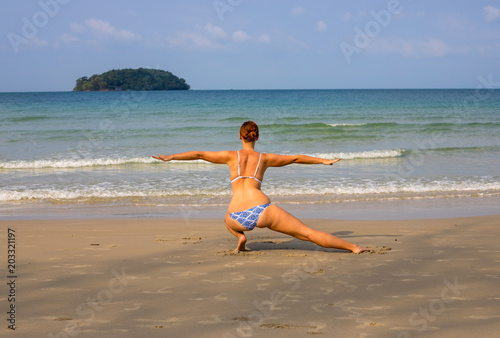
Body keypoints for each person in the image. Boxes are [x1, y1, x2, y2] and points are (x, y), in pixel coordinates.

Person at [153, 121, 367, 254]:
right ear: (257, 136)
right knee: (306, 234)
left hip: (237, 216)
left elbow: (199, 154)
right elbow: (294, 158)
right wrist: (323, 161)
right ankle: (353, 247)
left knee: (226, 219)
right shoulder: (264, 158)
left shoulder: (230, 156)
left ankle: (240, 237)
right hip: (263, 210)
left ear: (240, 136)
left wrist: (170, 157)